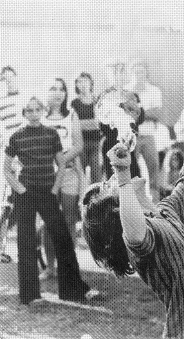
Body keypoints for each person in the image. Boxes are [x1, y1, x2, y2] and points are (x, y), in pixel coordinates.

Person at [81, 96, 184, 339]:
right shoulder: (139, 242)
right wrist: (122, 173)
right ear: (118, 209)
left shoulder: (165, 212)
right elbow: (135, 233)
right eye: (111, 186)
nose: (114, 181)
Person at [3, 95, 92, 305]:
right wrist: (21, 189)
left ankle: (71, 292)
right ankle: (30, 295)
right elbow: (6, 169)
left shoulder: (52, 134)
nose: (34, 114)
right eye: (29, 110)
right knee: (26, 243)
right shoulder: (16, 137)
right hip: (25, 194)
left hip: (47, 193)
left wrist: (54, 188)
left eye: (37, 110)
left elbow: (61, 164)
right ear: (24, 113)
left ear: (43, 111)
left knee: (62, 238)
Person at [40, 78, 86, 280]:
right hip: (47, 177)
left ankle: (67, 265)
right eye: (53, 88)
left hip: (68, 174)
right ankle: (50, 267)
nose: (58, 93)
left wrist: (60, 160)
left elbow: (78, 145)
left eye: (62, 89)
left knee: (68, 221)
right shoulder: (39, 116)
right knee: (49, 221)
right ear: (46, 92)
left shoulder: (71, 115)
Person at [126, 60, 167, 200]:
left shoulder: (154, 91)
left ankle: (155, 203)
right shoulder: (126, 91)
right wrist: (145, 113)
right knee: (131, 171)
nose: (139, 75)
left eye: (141, 72)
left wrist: (136, 112)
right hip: (131, 136)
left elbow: (158, 114)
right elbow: (125, 115)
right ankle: (133, 202)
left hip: (149, 135)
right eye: (136, 72)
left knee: (154, 169)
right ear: (131, 74)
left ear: (146, 74)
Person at [98, 58, 144, 181]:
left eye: (121, 72)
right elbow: (103, 124)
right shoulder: (104, 96)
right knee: (114, 182)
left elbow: (140, 117)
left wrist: (131, 112)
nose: (118, 76)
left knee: (134, 178)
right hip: (111, 145)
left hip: (129, 145)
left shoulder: (132, 95)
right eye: (115, 72)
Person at [0, 66, 24, 263]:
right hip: (7, 156)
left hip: (25, 156)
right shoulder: (1, 102)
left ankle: (30, 248)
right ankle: (1, 248)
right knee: (4, 204)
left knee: (24, 199)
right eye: (4, 79)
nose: (8, 82)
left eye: (10, 78)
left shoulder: (24, 98)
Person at [71, 72, 102, 184]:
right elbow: (74, 126)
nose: (83, 84)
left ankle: (98, 201)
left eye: (85, 81)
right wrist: (91, 123)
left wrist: (82, 124)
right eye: (79, 81)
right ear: (76, 85)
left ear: (91, 83)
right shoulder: (74, 103)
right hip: (80, 145)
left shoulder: (98, 101)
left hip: (96, 144)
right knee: (80, 175)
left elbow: (101, 124)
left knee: (97, 177)